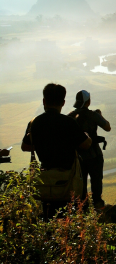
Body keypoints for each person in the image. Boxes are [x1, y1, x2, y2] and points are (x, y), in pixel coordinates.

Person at [21, 84, 92, 214]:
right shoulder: (68, 122)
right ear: (63, 103)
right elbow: (86, 144)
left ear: (44, 101)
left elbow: (25, 146)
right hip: (68, 180)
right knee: (69, 216)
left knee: (48, 214)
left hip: (46, 181)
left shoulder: (34, 123)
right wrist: (87, 135)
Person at [68, 90, 111, 209]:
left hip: (78, 157)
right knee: (96, 182)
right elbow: (108, 127)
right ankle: (97, 205)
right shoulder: (93, 115)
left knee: (81, 184)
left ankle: (83, 208)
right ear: (88, 101)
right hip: (94, 155)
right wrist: (100, 115)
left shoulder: (71, 116)